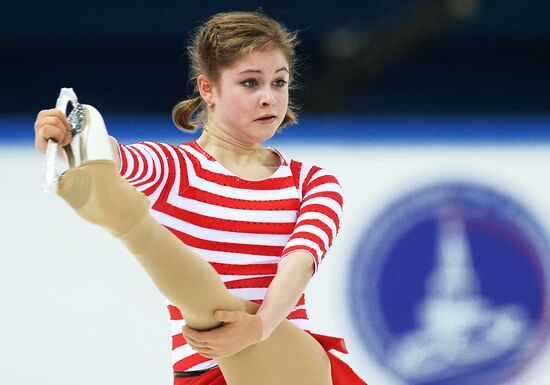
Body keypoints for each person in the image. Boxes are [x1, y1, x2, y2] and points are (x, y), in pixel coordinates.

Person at [34, 11, 367, 385]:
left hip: (290, 363)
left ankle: (132, 226)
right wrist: (72, 139)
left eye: (279, 83)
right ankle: (128, 220)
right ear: (208, 89)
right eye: (250, 83)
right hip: (205, 371)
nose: (268, 98)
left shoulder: (312, 181)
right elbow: (120, 156)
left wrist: (257, 328)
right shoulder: (176, 168)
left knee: (227, 320)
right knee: (214, 312)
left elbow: (300, 262)